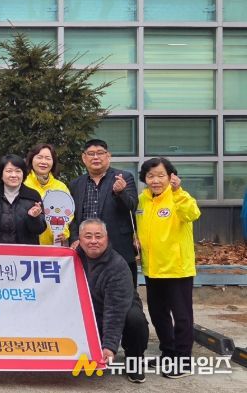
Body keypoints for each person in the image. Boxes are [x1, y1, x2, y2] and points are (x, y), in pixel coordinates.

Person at [137, 157, 200, 379]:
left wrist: (178, 192)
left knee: (182, 317)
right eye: (150, 176)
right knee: (158, 314)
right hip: (152, 269)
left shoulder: (179, 197)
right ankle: (168, 352)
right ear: (144, 178)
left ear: (171, 176)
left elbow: (193, 214)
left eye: (160, 175)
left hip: (177, 269)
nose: (155, 180)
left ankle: (183, 360)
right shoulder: (142, 200)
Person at [77, 218, 150, 384]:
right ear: (79, 240)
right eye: (88, 236)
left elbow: (114, 310)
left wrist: (110, 346)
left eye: (98, 236)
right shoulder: (72, 259)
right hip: (89, 309)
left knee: (134, 319)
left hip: (118, 308)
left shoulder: (117, 266)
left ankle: (134, 359)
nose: (93, 241)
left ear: (107, 238)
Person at [68, 139, 139, 286]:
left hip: (119, 248)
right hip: (86, 250)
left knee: (124, 292)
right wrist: (74, 238)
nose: (96, 157)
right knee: (89, 292)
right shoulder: (76, 184)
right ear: (84, 158)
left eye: (100, 153)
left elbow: (131, 207)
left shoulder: (124, 177)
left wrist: (121, 192)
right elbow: (72, 216)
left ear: (108, 156)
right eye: (91, 154)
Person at [0, 154, 46, 244]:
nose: (14, 175)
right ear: (1, 174)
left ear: (23, 174)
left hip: (25, 251)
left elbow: (39, 230)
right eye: (9, 171)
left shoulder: (32, 196)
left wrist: (34, 218)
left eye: (18, 171)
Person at [24, 143, 71, 246]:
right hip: (27, 244)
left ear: (53, 162)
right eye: (39, 157)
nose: (43, 162)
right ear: (31, 159)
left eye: (48, 158)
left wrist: (64, 231)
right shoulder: (23, 184)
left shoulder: (60, 187)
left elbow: (68, 214)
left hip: (52, 245)